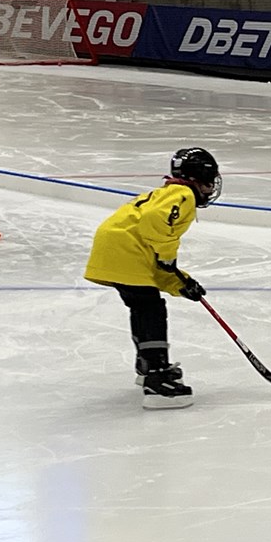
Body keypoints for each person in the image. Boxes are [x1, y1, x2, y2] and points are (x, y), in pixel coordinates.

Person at [84, 148, 222, 409]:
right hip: (124, 251)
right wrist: (169, 256)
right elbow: (154, 224)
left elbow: (155, 262)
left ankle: (148, 366)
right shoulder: (183, 195)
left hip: (117, 249)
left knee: (143, 304)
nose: (211, 187)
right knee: (150, 309)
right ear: (200, 178)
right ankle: (157, 380)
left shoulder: (166, 194)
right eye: (210, 180)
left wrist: (182, 284)